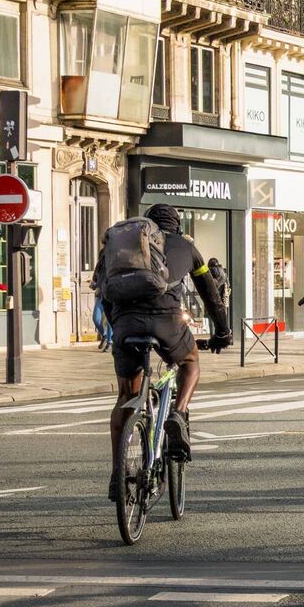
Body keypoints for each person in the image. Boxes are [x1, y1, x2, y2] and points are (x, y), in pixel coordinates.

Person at [97, 203, 231, 500]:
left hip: (126, 324)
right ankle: (178, 414)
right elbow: (210, 294)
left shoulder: (124, 246)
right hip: (167, 321)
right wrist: (222, 331)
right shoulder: (186, 246)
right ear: (176, 225)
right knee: (190, 361)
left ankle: (118, 476)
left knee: (125, 398)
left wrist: (117, 323)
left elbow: (103, 290)